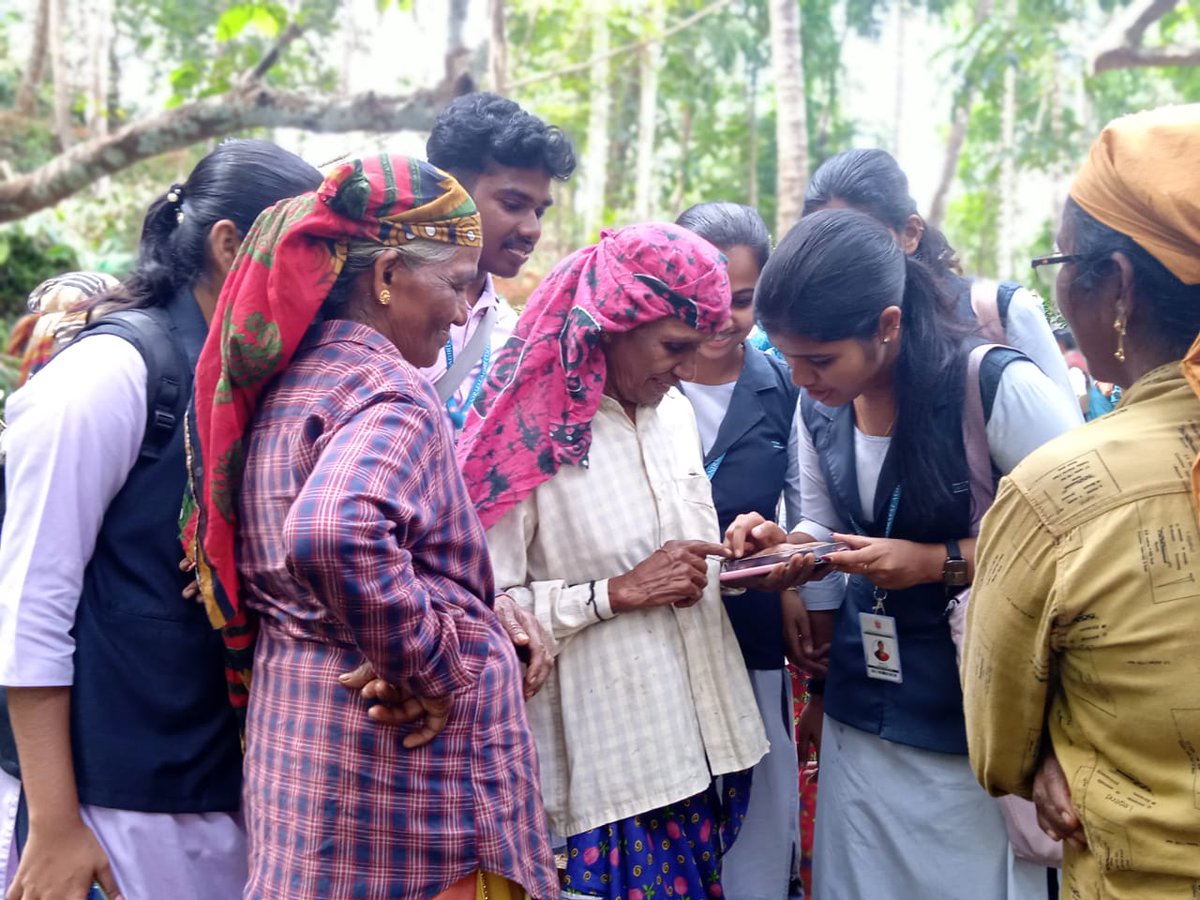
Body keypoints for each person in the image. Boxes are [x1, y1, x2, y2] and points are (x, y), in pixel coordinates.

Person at [188, 154, 558, 899]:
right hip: (409, 808)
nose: (462, 313)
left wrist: (469, 616)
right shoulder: (388, 391)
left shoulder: (294, 382)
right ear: (387, 274)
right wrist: (435, 662)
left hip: (307, 768)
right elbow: (335, 530)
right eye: (454, 285)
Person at [725, 207, 1080, 899]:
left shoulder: (993, 386)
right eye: (788, 356)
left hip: (978, 720)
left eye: (820, 359)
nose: (800, 379)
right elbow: (825, 529)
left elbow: (1082, 539)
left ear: (887, 325)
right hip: (867, 712)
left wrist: (935, 561)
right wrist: (788, 551)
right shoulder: (820, 404)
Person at [0, 139, 322, 899]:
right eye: (313, 253)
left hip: (208, 790)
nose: (328, 281)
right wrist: (53, 825)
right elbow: (26, 609)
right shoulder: (109, 378)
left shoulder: (248, 382)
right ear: (230, 246)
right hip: (103, 810)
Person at [457, 223, 769, 900]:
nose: (684, 369)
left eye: (697, 349)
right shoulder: (527, 432)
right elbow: (476, 609)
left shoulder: (675, 414)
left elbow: (687, 567)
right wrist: (612, 594)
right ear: (615, 322)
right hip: (604, 776)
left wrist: (749, 562)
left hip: (699, 748)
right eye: (672, 348)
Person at [964, 104, 1200, 898]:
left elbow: (999, 746)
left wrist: (1065, 746)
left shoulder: (1055, 497)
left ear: (1119, 286)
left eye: (1062, 260)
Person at [674, 201, 804, 900]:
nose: (723, 317)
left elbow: (802, 509)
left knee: (755, 824)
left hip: (749, 632)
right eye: (704, 297)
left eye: (744, 300)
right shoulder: (632, 380)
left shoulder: (780, 386)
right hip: (655, 634)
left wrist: (785, 583)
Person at [803, 147, 1082, 423]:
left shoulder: (1000, 310)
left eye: (857, 241)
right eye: (822, 243)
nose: (837, 258)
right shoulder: (817, 339)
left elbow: (1067, 445)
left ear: (910, 233)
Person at [422, 91, 577, 435]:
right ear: (448, 194)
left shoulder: (517, 335)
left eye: (538, 212)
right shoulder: (384, 313)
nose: (532, 230)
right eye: (512, 204)